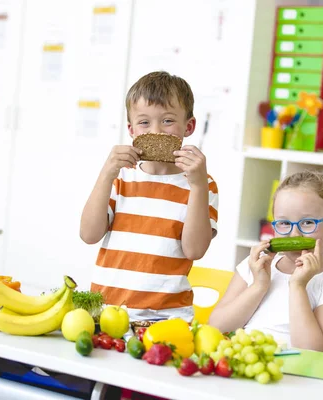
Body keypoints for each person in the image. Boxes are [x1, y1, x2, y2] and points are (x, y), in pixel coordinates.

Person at [80, 71, 219, 322]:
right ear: (131, 130)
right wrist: (105, 174)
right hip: (106, 311)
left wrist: (198, 187)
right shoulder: (120, 177)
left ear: (189, 126)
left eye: (167, 121)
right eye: (145, 123)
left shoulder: (201, 183)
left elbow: (195, 250)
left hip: (166, 317)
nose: (156, 131)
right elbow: (89, 235)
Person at [209, 170, 323, 352]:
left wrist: (297, 286)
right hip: (243, 366)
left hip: (295, 377)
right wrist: (258, 286)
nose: (294, 234)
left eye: (307, 223)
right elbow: (216, 328)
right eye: (284, 223)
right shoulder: (255, 267)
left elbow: (315, 354)